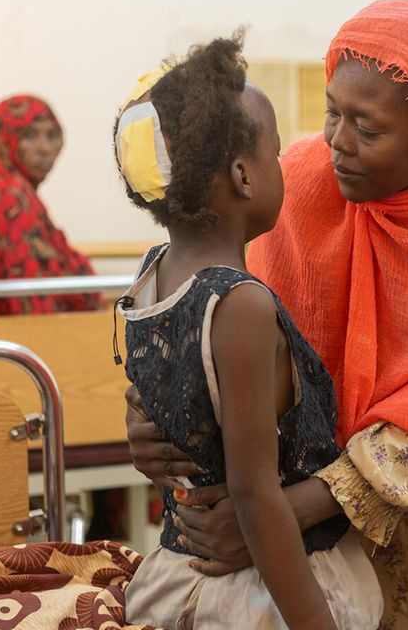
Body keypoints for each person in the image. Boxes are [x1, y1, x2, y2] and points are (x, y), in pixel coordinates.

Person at [126, 0, 408, 629]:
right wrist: (153, 420)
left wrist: (268, 518)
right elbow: (217, 337)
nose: (336, 142)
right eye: (333, 111)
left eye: (367, 129)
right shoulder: (305, 186)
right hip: (312, 542)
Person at [114, 35, 383, 630]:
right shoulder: (239, 302)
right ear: (242, 175)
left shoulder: (151, 275)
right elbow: (257, 496)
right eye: (277, 155)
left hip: (180, 566)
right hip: (261, 592)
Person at [0, 95, 101, 315]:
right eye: (29, 135)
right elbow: (34, 304)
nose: (44, 148)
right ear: (3, 138)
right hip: (14, 342)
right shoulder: (7, 197)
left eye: (52, 135)